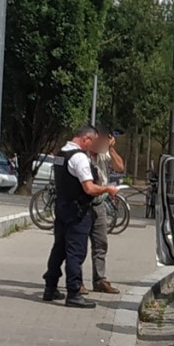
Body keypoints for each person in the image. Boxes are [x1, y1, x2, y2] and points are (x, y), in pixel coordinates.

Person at [42, 126, 119, 308]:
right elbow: (89, 188)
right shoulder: (79, 157)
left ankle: (50, 286)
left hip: (62, 207)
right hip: (77, 210)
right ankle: (74, 292)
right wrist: (107, 189)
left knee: (59, 249)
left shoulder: (61, 153)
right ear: (87, 139)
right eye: (93, 142)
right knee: (76, 251)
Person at [87, 128, 126, 295]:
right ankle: (75, 281)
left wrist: (111, 149)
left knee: (101, 243)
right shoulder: (83, 155)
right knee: (78, 246)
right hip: (83, 204)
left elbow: (119, 167)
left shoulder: (104, 154)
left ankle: (100, 280)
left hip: (99, 204)